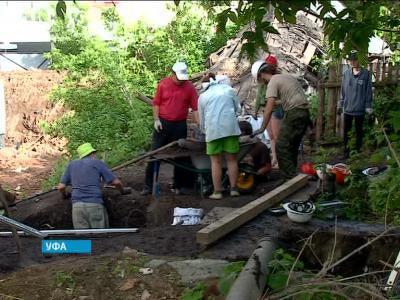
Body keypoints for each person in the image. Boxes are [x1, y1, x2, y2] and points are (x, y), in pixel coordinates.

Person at [141, 62, 199, 196]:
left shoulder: (189, 88)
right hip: (163, 123)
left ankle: (179, 185)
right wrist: (156, 120)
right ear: (172, 74)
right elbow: (156, 104)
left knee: (180, 155)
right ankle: (149, 185)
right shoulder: (163, 84)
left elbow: (195, 108)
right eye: (178, 78)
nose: (180, 81)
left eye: (182, 79)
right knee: (154, 153)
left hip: (179, 125)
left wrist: (199, 124)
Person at [251, 61, 311, 179]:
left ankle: (290, 177)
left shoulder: (272, 82)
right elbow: (288, 99)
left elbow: (268, 109)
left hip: (294, 113)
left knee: (281, 146)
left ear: (261, 75)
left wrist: (262, 128)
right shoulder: (286, 77)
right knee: (292, 146)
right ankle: (293, 175)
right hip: (304, 112)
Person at [58, 143, 123, 229]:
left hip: (77, 207)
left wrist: (64, 195)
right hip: (94, 204)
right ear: (92, 153)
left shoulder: (71, 164)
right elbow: (117, 182)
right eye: (94, 153)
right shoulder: (97, 163)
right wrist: (122, 191)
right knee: (100, 238)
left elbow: (61, 187)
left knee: (83, 240)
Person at [199, 74, 241, 199]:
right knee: (232, 160)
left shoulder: (203, 96)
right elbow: (238, 110)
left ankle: (217, 192)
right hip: (230, 129)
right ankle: (234, 189)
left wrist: (203, 131)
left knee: (215, 162)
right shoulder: (229, 90)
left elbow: (201, 120)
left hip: (213, 131)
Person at [339, 50, 373, 158]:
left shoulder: (366, 74)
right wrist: (341, 103)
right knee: (346, 132)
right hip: (348, 108)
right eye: (351, 60)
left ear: (359, 60)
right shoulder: (346, 74)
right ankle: (346, 152)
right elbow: (343, 90)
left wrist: (368, 106)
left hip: (360, 108)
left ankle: (357, 152)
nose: (353, 62)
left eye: (355, 60)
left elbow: (368, 91)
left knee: (359, 131)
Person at [253, 54, 283, 168]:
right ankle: (274, 158)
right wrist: (256, 111)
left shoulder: (277, 79)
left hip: (275, 109)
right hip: (266, 109)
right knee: (270, 135)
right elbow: (258, 97)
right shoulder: (262, 82)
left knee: (277, 135)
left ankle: (281, 160)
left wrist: (275, 102)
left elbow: (281, 97)